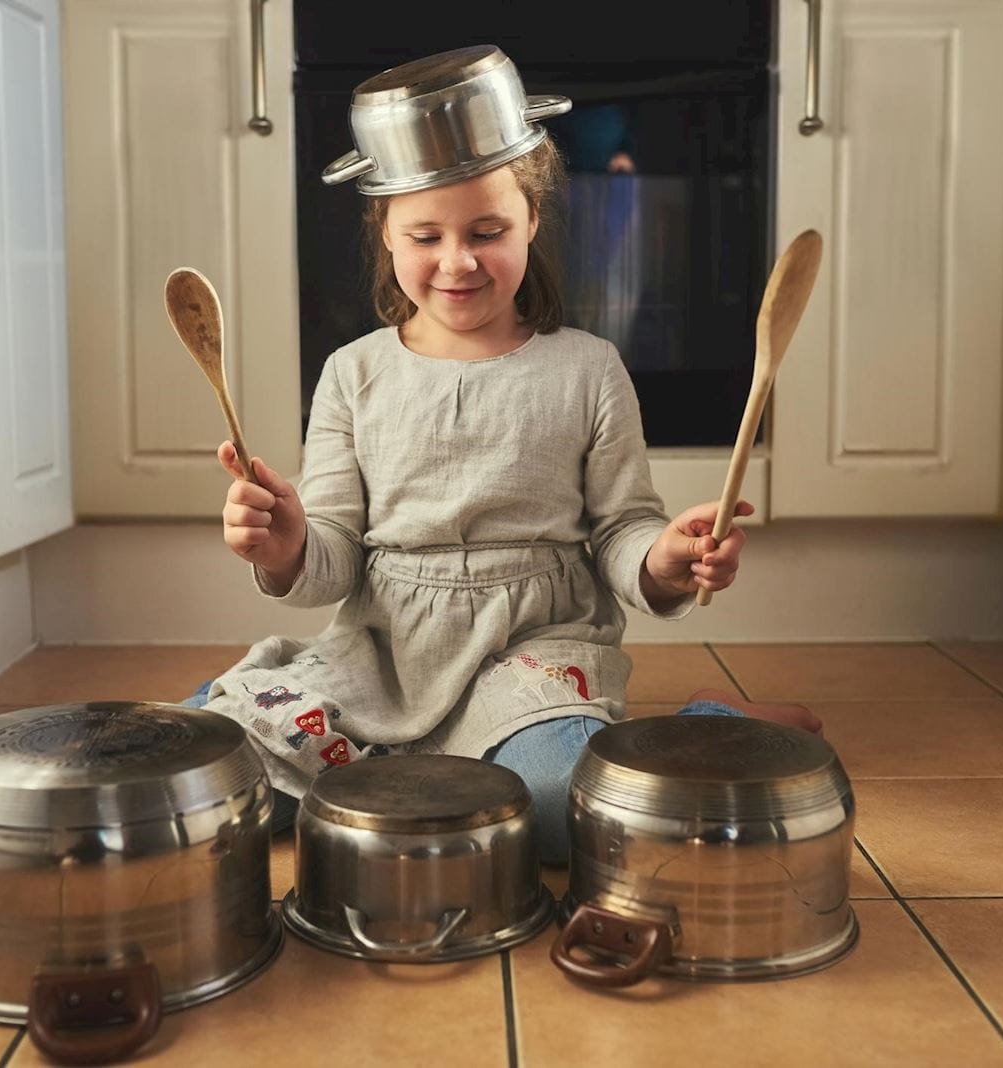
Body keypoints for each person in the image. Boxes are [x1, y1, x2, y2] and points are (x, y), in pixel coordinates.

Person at [187, 52, 819, 863]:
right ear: (385, 231)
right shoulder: (354, 373)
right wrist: (287, 548)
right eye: (426, 236)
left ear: (530, 222)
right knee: (211, 772)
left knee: (565, 816)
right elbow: (333, 563)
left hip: (534, 653)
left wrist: (664, 558)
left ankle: (702, 726)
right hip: (384, 659)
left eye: (488, 232)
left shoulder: (588, 368)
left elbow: (624, 531)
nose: (459, 261)